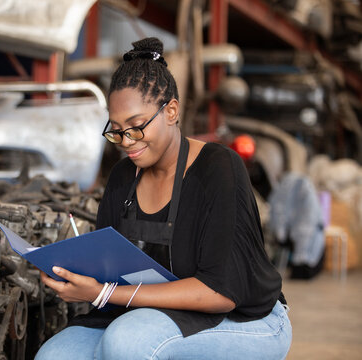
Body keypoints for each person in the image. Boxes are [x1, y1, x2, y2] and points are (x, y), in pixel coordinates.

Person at [35, 37, 292, 360]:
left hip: (245, 318)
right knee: (53, 356)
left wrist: (104, 292)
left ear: (171, 111)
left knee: (128, 342)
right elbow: (109, 268)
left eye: (136, 127)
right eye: (116, 130)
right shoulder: (122, 178)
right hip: (151, 313)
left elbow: (222, 292)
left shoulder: (218, 169)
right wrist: (74, 276)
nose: (126, 141)